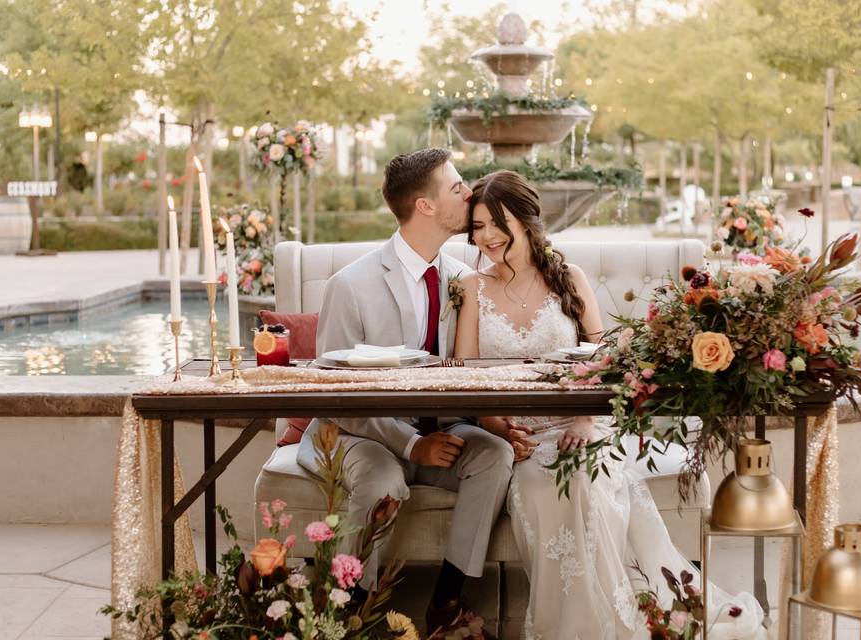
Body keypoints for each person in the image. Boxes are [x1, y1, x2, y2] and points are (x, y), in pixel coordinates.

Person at [454, 170, 765, 640]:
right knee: (544, 488)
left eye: (496, 222)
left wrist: (583, 418)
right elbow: (467, 377)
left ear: (525, 220)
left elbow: (604, 363)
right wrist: (499, 428)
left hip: (580, 424)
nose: (487, 236)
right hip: (520, 440)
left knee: (584, 478)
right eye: (477, 227)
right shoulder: (472, 288)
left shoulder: (569, 278)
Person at [297, 149, 511, 637]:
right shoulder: (350, 286)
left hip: (439, 427)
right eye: (456, 187)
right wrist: (414, 445)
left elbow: (463, 367)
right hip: (355, 433)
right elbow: (335, 396)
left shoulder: (462, 278)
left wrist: (488, 421)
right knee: (380, 482)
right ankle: (344, 610)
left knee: (493, 455)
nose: (469, 192)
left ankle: (447, 602)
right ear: (425, 206)